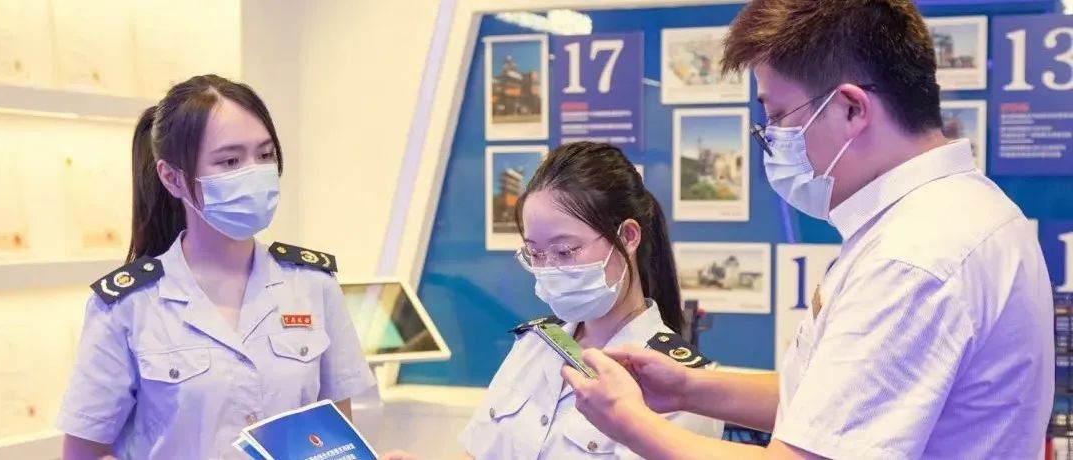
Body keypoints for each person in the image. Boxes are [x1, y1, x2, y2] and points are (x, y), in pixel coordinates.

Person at [561, 1, 1054, 459]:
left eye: (778, 117)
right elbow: (834, 407)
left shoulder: (913, 257)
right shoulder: (960, 210)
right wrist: (689, 389)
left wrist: (628, 421)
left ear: (851, 108)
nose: (773, 139)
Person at [56, 75, 377, 459]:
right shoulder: (128, 305)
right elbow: (84, 453)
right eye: (230, 161)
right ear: (172, 178)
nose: (255, 173)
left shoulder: (313, 285)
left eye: (265, 155)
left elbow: (338, 441)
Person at [383, 142, 723, 460]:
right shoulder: (535, 345)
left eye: (564, 250)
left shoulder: (680, 383)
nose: (549, 269)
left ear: (628, 236)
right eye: (535, 253)